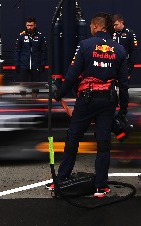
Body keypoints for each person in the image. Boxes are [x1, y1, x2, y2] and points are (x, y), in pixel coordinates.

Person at [54, 13, 129, 198]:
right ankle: (101, 186)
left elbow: (72, 75)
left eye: (91, 26)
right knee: (103, 143)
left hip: (86, 100)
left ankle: (62, 179)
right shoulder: (119, 49)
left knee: (73, 138)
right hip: (108, 102)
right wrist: (123, 112)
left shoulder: (85, 45)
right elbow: (124, 85)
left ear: (96, 26)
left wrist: (59, 94)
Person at [13, 17, 47, 92]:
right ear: (26, 25)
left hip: (36, 65)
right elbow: (17, 51)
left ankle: (34, 101)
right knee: (22, 86)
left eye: (31, 25)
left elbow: (43, 51)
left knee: (35, 87)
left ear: (35, 25)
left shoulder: (40, 37)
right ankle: (23, 101)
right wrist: (17, 64)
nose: (29, 27)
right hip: (24, 65)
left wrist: (43, 64)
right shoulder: (21, 36)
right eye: (28, 25)